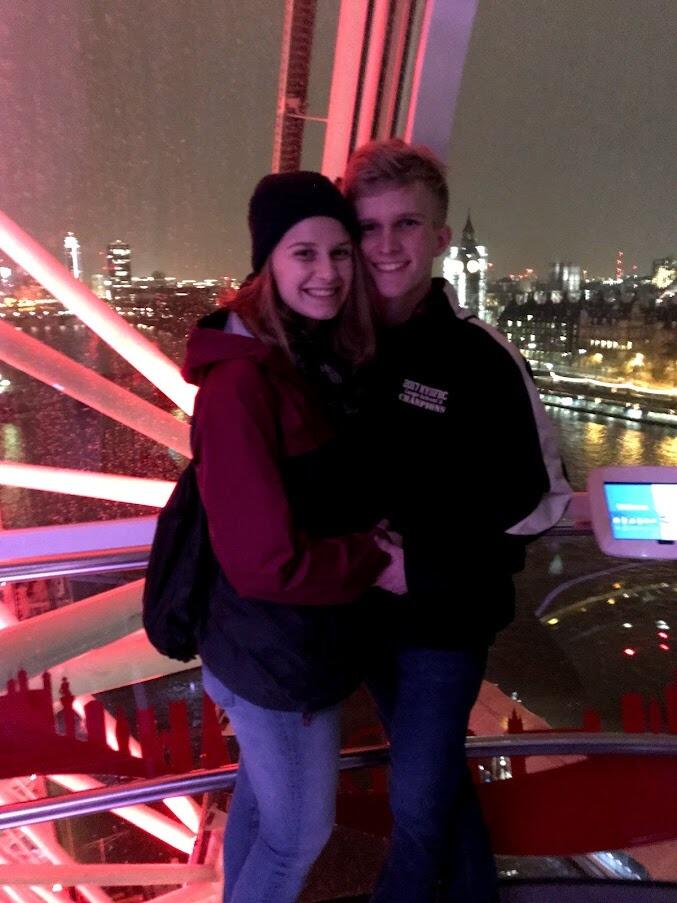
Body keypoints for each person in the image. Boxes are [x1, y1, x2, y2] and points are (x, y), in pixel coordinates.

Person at [343, 139, 572, 902]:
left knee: (412, 809)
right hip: (369, 615)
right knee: (438, 785)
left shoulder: (478, 359)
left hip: (443, 624)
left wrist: (425, 564)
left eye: (405, 225)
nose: (384, 246)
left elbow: (542, 499)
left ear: (440, 238)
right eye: (368, 227)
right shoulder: (343, 351)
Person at [181, 171, 405, 903]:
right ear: (266, 262)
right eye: (303, 253)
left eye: (341, 254)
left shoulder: (303, 360)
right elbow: (265, 561)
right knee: (297, 838)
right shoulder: (243, 383)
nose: (328, 273)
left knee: (260, 812)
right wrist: (373, 555)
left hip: (270, 647)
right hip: (279, 657)